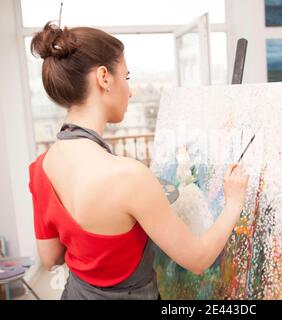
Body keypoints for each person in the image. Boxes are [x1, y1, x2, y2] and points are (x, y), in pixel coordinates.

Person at [28, 22, 249, 300]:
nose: (130, 91)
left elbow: (50, 258)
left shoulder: (40, 167)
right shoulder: (130, 177)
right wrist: (234, 202)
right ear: (104, 77)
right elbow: (199, 258)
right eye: (127, 77)